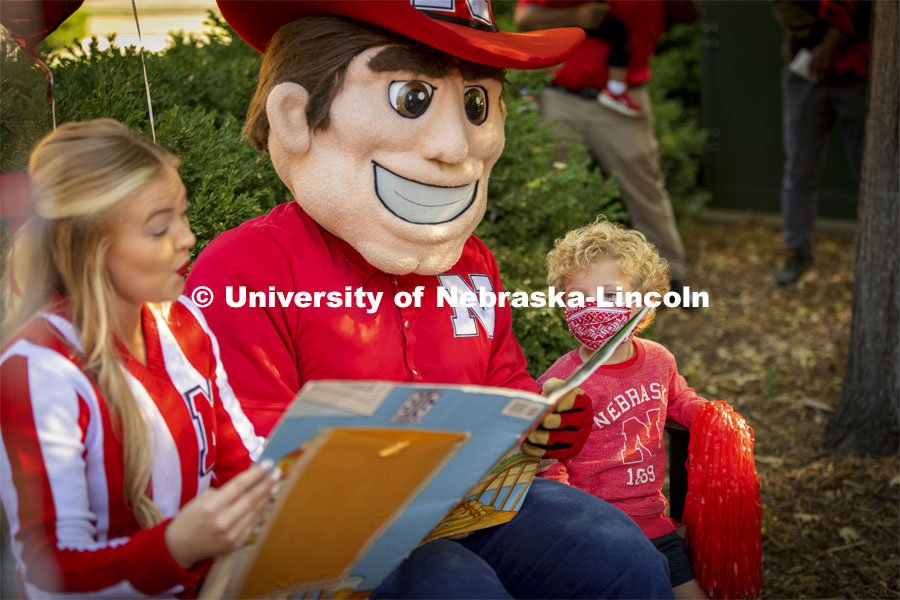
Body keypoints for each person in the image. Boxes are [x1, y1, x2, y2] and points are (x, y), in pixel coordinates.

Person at [186, 2, 673, 597]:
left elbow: (507, 386)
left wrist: (546, 423)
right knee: (451, 586)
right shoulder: (246, 268)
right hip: (339, 534)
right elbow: (239, 443)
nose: (453, 146)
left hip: (476, 500)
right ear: (295, 117)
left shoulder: (471, 263)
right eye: (411, 98)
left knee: (620, 557)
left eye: (475, 106)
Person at [0, 119, 278, 598]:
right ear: (90, 247)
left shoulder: (185, 321)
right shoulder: (39, 370)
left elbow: (242, 463)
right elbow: (51, 577)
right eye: (158, 229)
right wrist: (176, 546)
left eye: (183, 216)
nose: (188, 238)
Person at [538, 217, 708, 599]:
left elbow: (679, 401)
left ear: (644, 300)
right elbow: (548, 458)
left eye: (610, 296)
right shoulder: (563, 382)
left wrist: (713, 418)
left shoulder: (659, 360)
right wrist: (570, 520)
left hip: (655, 524)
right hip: (598, 531)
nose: (594, 308)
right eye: (578, 297)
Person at [514, 0, 693, 302]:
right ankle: (542, 282)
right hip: (561, 97)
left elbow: (688, 15)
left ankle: (670, 279)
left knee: (645, 190)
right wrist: (579, 16)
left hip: (624, 101)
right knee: (543, 189)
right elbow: (524, 17)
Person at [772, 0, 869, 285]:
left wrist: (830, 45)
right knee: (799, 170)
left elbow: (867, 14)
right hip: (806, 75)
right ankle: (796, 251)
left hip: (858, 76)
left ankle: (876, 249)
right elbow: (795, 18)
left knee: (870, 174)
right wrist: (834, 38)